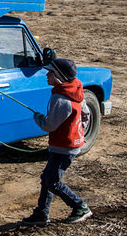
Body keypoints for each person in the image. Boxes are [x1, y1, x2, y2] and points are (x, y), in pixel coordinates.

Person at [22, 58, 92, 226]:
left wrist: (38, 118)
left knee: (52, 181)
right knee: (47, 178)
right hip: (70, 144)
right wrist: (78, 131)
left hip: (64, 147)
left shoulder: (61, 100)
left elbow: (50, 125)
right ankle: (41, 213)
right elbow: (86, 114)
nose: (46, 74)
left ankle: (80, 206)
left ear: (59, 76)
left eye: (50, 72)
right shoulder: (75, 91)